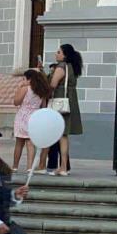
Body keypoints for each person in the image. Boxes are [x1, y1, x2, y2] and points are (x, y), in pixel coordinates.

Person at [36, 44, 83, 176]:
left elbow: (52, 85)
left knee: (59, 135)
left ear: (65, 55)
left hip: (59, 103)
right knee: (63, 135)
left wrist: (43, 89)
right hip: (68, 102)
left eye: (58, 52)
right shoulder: (71, 67)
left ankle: (58, 166)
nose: (56, 54)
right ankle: (62, 167)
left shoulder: (61, 67)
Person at [12, 70, 50, 173]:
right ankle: (29, 167)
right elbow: (43, 106)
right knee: (30, 143)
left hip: (22, 116)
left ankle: (15, 166)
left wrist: (19, 88)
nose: (22, 81)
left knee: (19, 143)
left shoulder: (25, 89)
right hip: (34, 117)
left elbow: (16, 102)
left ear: (30, 80)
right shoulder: (41, 91)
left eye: (24, 79)